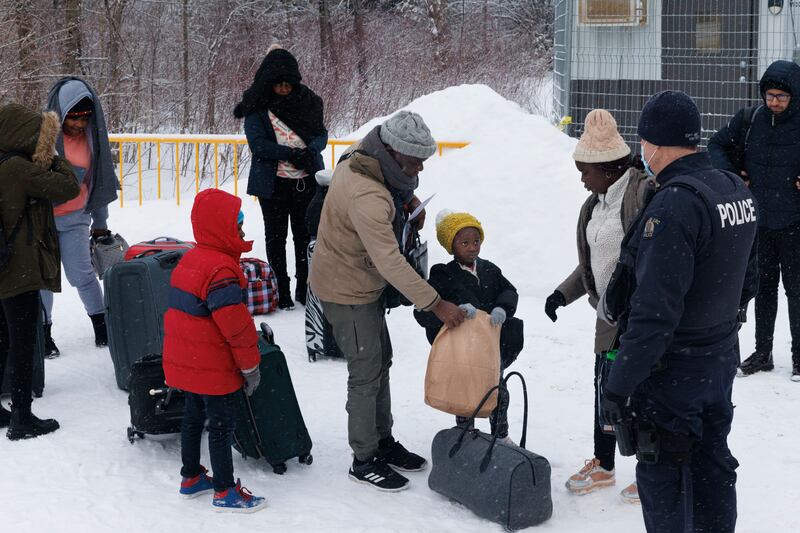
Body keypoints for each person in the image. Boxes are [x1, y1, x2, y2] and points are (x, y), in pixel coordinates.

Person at [599, 91, 758, 532]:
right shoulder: (731, 187)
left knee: (665, 476)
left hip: (674, 373)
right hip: (717, 359)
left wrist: (619, 384)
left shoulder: (674, 204)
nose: (641, 151)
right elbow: (750, 276)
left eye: (643, 142)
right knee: (713, 469)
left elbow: (654, 313)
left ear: (657, 144)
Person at [309, 110, 466, 492]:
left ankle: (383, 441)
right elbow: (390, 262)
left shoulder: (364, 156)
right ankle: (364, 459)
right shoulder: (367, 196)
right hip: (347, 290)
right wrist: (436, 304)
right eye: (414, 163)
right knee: (365, 371)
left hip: (362, 281)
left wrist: (410, 198)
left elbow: (392, 190)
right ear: (393, 154)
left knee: (382, 360)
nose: (419, 169)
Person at [544, 109, 651, 502]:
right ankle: (604, 464)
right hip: (609, 318)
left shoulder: (641, 194)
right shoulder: (596, 203)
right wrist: (562, 294)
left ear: (607, 168)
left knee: (639, 392)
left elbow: (648, 256)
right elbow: (594, 261)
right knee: (604, 389)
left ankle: (648, 470)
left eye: (585, 170)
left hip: (639, 317)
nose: (581, 178)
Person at [162, 188, 266, 512]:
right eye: (238, 226)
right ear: (222, 229)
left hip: (189, 363)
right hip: (212, 366)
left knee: (193, 418)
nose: (243, 233)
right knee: (221, 425)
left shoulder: (191, 260)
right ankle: (225, 490)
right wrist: (250, 367)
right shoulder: (220, 271)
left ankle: (191, 476)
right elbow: (235, 327)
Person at [708, 59, 800, 381]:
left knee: (797, 290)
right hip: (758, 222)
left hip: (794, 222)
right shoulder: (750, 120)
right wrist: (734, 176)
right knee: (763, 289)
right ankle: (763, 353)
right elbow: (716, 145)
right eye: (770, 95)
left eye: (782, 97)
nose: (774, 102)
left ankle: (799, 357)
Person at [0, 103, 80, 439]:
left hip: (0, 267)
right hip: (18, 270)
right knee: (22, 344)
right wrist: (51, 154)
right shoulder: (19, 169)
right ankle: (21, 416)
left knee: (2, 341)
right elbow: (69, 186)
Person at [414, 209, 524, 443]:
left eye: (476, 241)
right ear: (451, 246)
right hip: (462, 350)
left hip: (490, 346)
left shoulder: (490, 270)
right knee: (465, 393)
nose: (473, 247)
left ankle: (500, 435)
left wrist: (502, 307)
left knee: (497, 391)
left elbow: (509, 290)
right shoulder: (443, 274)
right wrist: (456, 308)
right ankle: (466, 434)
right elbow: (428, 308)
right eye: (465, 242)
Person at [235, 44, 328, 310]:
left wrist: (310, 151)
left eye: (289, 83)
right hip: (273, 184)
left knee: (304, 235)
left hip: (305, 182)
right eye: (279, 84)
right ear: (269, 83)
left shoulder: (309, 102)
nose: (284, 88)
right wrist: (291, 153)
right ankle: (280, 289)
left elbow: (321, 134)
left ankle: (304, 288)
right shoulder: (256, 106)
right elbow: (258, 144)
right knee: (276, 238)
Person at [42, 77, 120, 356]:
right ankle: (44, 335)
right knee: (42, 280)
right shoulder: (41, 137)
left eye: (85, 117)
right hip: (42, 221)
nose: (80, 123)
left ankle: (102, 326)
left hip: (75, 217)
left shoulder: (92, 139)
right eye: (74, 117)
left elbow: (98, 182)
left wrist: (100, 224)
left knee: (82, 275)